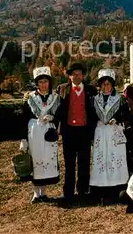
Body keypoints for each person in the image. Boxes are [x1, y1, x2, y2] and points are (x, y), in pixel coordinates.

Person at [56, 62, 98, 207]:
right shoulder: (62, 89)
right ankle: (68, 194)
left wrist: (92, 129)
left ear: (83, 75)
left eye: (79, 73)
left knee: (84, 163)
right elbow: (56, 109)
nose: (76, 76)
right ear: (69, 76)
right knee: (69, 164)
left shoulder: (91, 90)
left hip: (84, 131)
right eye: (73, 73)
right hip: (69, 132)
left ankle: (83, 192)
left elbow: (95, 111)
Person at [90, 68, 131, 204]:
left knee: (115, 160)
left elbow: (126, 116)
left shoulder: (120, 99)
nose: (106, 86)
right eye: (103, 84)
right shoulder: (95, 100)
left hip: (115, 132)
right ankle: (100, 189)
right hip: (101, 133)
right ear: (100, 85)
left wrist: (117, 120)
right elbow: (91, 117)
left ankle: (117, 188)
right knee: (101, 160)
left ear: (112, 85)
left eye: (108, 84)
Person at [20, 66, 60, 203]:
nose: (43, 84)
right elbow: (22, 119)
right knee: (35, 161)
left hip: (48, 132)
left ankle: (44, 193)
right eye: (40, 82)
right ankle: (36, 194)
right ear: (37, 83)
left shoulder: (55, 97)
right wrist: (23, 139)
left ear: (49, 82)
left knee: (47, 160)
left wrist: (52, 119)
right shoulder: (29, 98)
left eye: (46, 81)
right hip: (34, 132)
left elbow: (60, 115)